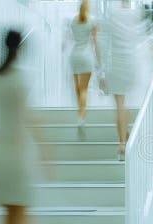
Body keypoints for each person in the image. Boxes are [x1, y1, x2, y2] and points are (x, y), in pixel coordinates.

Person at [0, 30, 40, 224]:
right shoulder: (18, 78)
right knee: (19, 220)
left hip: (0, 151)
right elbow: (26, 117)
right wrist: (45, 150)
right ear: (21, 48)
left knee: (9, 220)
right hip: (17, 152)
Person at [98, 0, 149, 160]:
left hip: (115, 64)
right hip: (131, 63)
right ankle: (125, 132)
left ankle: (122, 144)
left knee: (120, 104)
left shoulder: (112, 16)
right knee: (128, 102)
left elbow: (104, 43)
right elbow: (141, 37)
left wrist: (101, 71)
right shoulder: (135, 15)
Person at [68, 0, 100, 128]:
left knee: (77, 89)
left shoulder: (73, 21)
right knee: (84, 89)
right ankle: (81, 117)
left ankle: (79, 114)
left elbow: (73, 38)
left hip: (74, 56)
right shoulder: (92, 21)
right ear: (88, 7)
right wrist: (98, 59)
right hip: (86, 57)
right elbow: (94, 42)